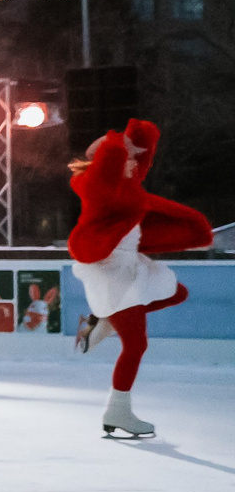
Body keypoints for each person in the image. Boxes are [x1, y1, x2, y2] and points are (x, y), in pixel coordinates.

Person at [67, 119, 212, 438]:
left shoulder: (126, 189)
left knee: (177, 293)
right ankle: (117, 409)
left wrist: (137, 142)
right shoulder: (100, 188)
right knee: (136, 344)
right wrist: (116, 145)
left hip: (132, 267)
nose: (135, 164)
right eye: (128, 159)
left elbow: (139, 162)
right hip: (113, 274)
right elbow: (107, 169)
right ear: (111, 163)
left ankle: (103, 321)